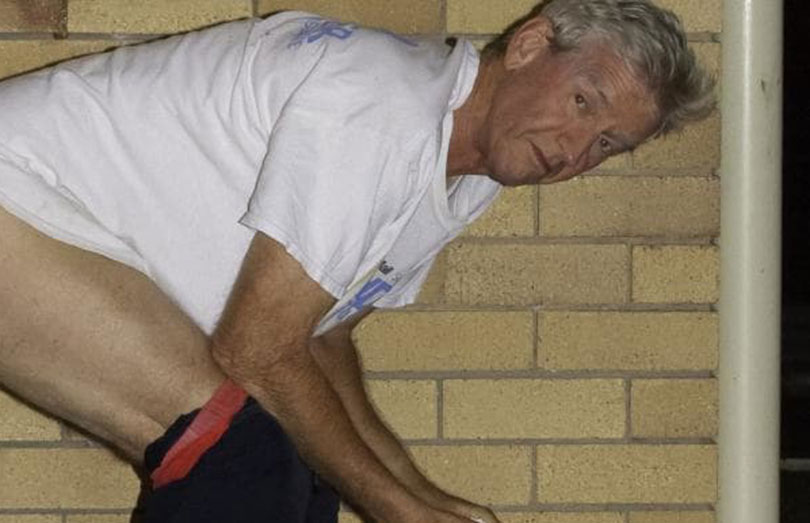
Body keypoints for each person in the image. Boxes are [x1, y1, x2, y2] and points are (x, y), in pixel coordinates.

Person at [0, 0, 714, 521]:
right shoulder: (386, 106)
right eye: (583, 101)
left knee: (299, 468)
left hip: (50, 223)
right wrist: (401, 511)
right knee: (236, 454)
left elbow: (320, 336)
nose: (575, 150)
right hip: (15, 194)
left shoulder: (461, 178)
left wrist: (424, 495)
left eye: (608, 144)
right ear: (530, 46)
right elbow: (257, 348)